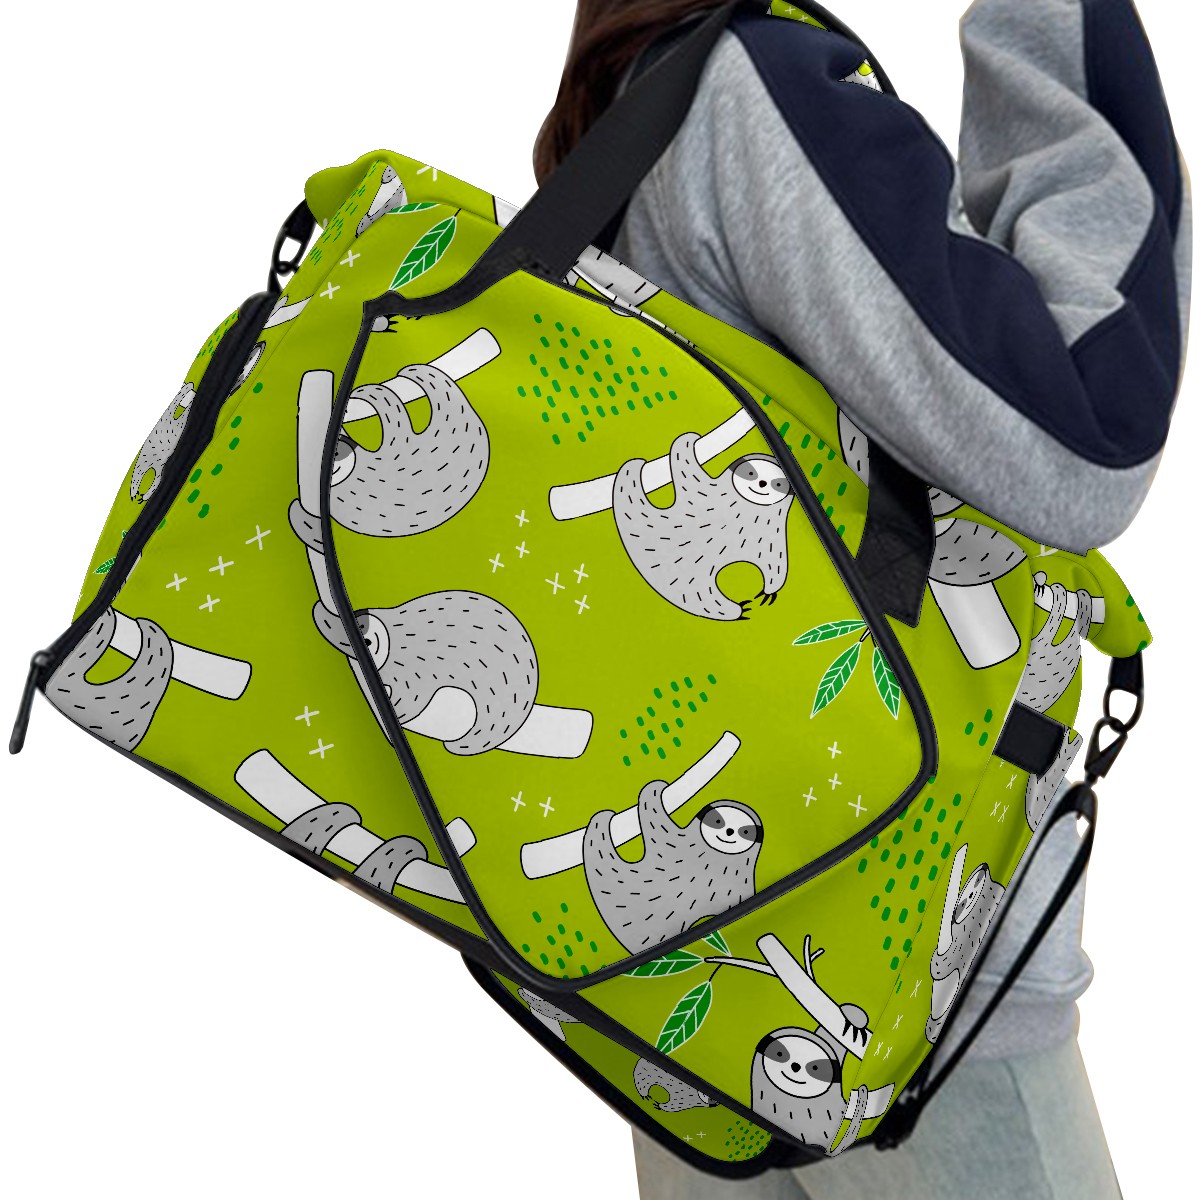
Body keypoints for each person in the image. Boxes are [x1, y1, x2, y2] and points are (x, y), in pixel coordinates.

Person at [533, 2, 1191, 1197]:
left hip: (683, 990)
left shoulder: (627, 122)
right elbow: (1086, 432)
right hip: (906, 994)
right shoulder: (756, 91)